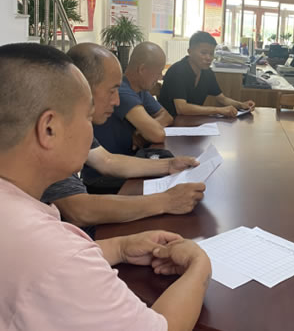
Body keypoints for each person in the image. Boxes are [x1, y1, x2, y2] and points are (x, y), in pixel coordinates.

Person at [0, 43, 211, 330]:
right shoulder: (54, 253)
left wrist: (121, 247)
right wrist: (199, 265)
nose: (92, 131)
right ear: (49, 128)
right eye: (87, 117)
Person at [41, 43, 206, 233]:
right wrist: (166, 201)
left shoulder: (77, 125)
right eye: (112, 91)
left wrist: (169, 165)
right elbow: (79, 210)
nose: (117, 100)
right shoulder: (50, 134)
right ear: (82, 87)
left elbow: (107, 161)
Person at [92, 41, 173, 158]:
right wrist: (149, 130)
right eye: (158, 72)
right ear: (142, 69)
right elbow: (158, 134)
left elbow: (167, 116)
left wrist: (141, 132)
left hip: (129, 159)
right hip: (114, 164)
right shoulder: (122, 92)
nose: (160, 77)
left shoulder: (140, 90)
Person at [159, 31, 255, 117]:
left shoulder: (207, 72)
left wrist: (241, 105)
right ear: (190, 52)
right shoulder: (178, 71)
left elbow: (222, 98)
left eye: (211, 54)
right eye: (203, 53)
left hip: (191, 121)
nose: (208, 58)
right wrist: (219, 110)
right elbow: (182, 108)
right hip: (169, 123)